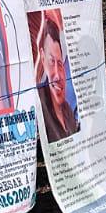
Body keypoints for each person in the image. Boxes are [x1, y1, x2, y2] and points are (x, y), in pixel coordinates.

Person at [32, 14, 79, 143]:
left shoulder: (67, 110)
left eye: (59, 63)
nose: (58, 74)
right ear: (42, 57)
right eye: (52, 61)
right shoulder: (38, 99)